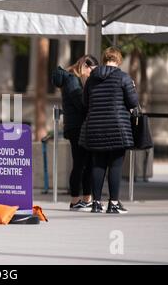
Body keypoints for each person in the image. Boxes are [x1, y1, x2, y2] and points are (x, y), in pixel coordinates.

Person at [79, 47, 139, 214]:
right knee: (115, 166)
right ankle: (113, 203)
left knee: (98, 164)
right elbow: (133, 103)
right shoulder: (124, 77)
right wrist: (133, 87)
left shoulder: (92, 79)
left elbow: (85, 102)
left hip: (96, 127)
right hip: (118, 128)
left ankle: (96, 203)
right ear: (118, 60)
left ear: (104, 59)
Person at [52, 55, 98, 211]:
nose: (92, 74)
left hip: (82, 126)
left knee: (88, 163)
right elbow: (81, 104)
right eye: (92, 70)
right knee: (80, 163)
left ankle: (86, 199)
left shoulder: (77, 79)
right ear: (84, 66)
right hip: (76, 127)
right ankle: (75, 200)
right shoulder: (72, 80)